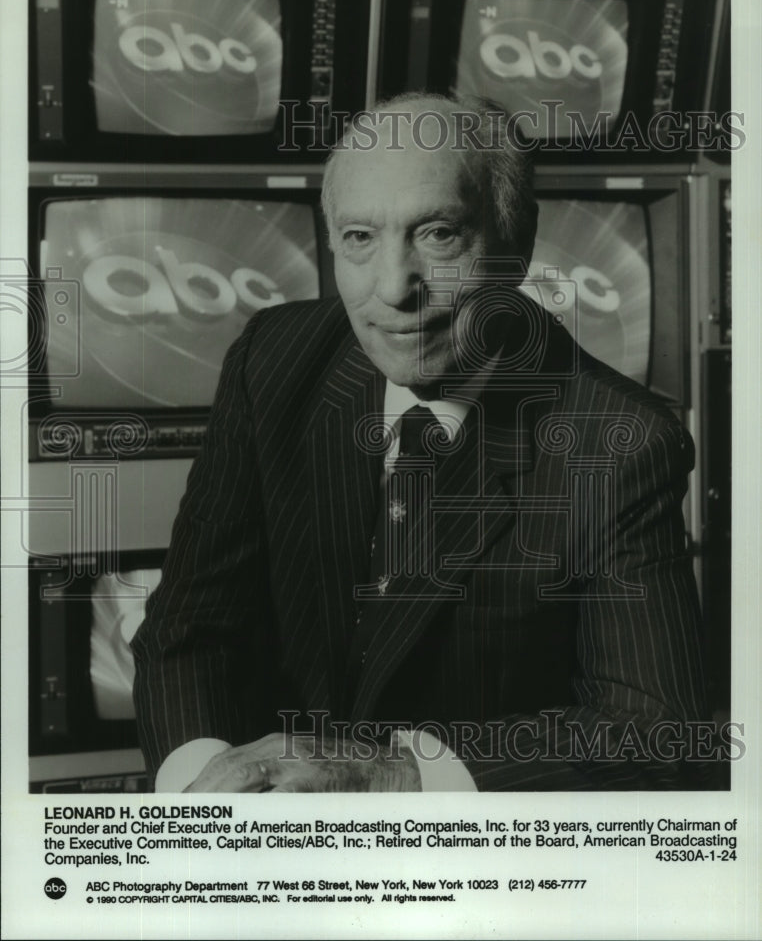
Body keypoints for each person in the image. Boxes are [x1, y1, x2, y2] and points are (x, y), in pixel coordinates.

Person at [131, 93, 708, 792]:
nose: (393, 289)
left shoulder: (621, 443)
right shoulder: (274, 360)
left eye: (436, 234)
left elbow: (650, 732)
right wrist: (206, 787)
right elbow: (188, 627)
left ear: (516, 243)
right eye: (359, 239)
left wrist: (391, 778)